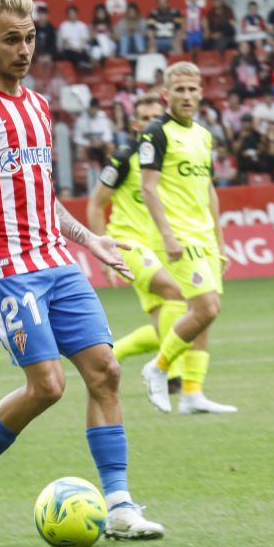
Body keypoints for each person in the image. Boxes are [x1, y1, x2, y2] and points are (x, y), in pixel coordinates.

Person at [0, 0, 165, 543]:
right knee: (48, 386)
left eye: (31, 37)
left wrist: (90, 240)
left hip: (56, 261)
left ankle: (120, 506)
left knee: (106, 371)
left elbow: (42, 197)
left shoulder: (37, 106)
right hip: (6, 270)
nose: (24, 49)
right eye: (12, 39)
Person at [138, 61, 236, 415]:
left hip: (204, 235)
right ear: (166, 95)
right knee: (207, 307)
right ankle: (158, 367)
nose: (187, 96)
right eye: (179, 90)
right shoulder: (156, 133)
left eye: (192, 89)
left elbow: (209, 189)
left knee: (203, 314)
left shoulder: (204, 135)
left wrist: (220, 239)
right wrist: (168, 235)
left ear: (201, 93)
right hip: (177, 235)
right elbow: (148, 188)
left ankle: (193, 394)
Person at [86, 93, 185, 392]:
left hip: (157, 247)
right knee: (175, 293)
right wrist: (103, 255)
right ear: (135, 125)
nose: (150, 123)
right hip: (128, 244)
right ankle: (171, 375)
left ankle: (113, 354)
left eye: (156, 118)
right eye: (144, 119)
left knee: (169, 322)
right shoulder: (125, 158)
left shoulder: (170, 158)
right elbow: (95, 204)